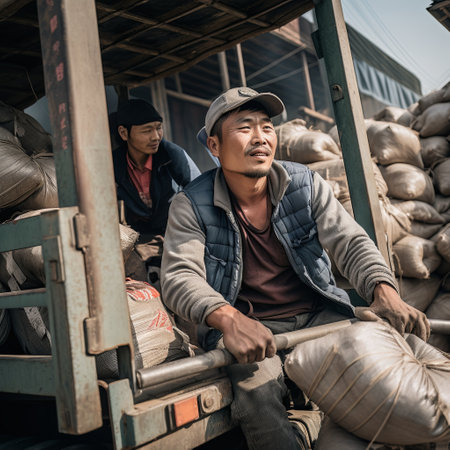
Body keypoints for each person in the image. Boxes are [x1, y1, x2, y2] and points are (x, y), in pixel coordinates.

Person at [160, 87, 430, 449]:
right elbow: (180, 275)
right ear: (214, 146)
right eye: (244, 128)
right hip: (252, 327)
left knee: (386, 372)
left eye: (267, 127)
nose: (260, 137)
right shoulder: (190, 204)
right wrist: (228, 319)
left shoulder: (304, 184)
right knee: (256, 395)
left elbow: (349, 242)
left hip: (318, 316)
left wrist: (384, 291)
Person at [113, 99, 200, 278]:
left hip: (174, 233)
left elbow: (200, 194)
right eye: (146, 130)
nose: (156, 136)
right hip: (136, 240)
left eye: (158, 127)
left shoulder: (172, 155)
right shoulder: (112, 164)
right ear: (124, 133)